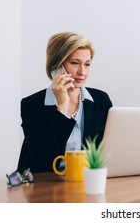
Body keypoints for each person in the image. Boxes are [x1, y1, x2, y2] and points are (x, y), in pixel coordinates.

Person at [17, 32, 112, 173]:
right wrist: (62, 106)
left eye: (87, 64)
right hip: (45, 185)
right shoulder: (32, 105)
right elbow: (44, 161)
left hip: (84, 181)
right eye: (75, 63)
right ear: (56, 66)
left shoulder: (100, 100)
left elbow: (110, 150)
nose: (82, 72)